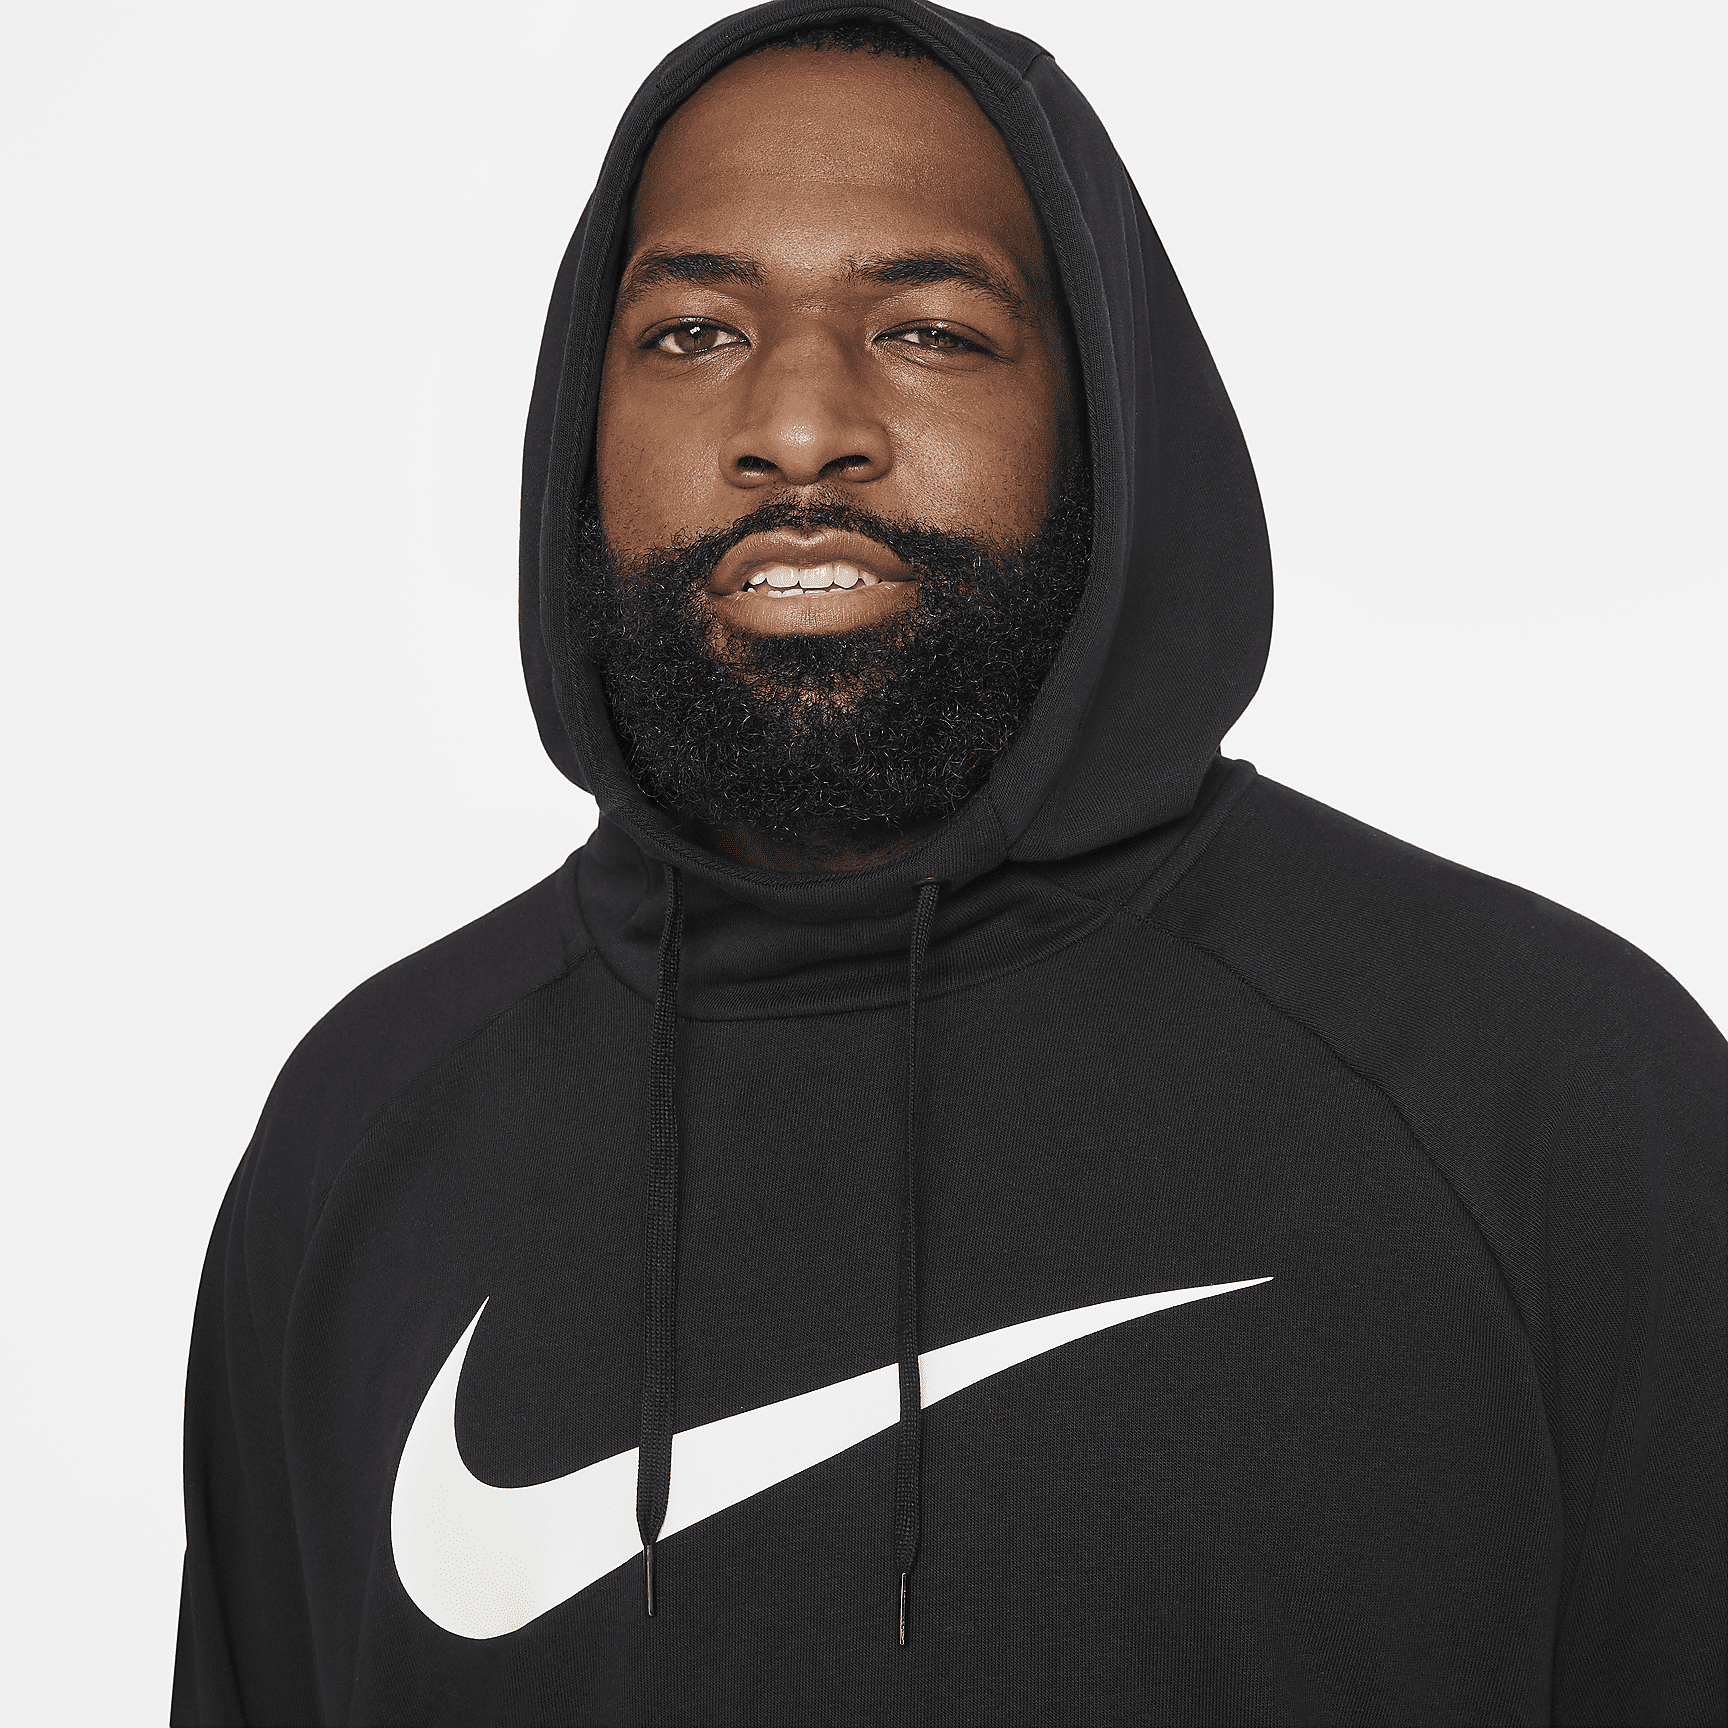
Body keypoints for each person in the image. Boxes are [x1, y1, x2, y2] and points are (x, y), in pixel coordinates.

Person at [172, 5, 1725, 1724]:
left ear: (1105, 412)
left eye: (927, 329)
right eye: (692, 331)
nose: (798, 425)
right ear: (579, 427)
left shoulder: (1550, 1095)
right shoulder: (370, 1128)